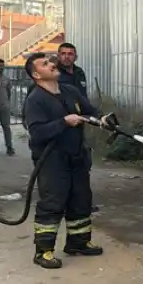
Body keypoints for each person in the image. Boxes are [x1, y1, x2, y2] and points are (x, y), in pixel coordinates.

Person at [23, 52, 108, 269]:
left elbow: (90, 110)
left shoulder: (70, 91)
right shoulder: (35, 99)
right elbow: (37, 132)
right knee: (52, 204)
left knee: (80, 201)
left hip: (77, 156)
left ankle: (78, 243)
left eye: (50, 61)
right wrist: (64, 121)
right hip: (52, 161)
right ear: (36, 75)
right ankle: (43, 251)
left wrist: (103, 118)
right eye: (44, 64)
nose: (51, 64)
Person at [55, 43, 101, 213]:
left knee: (83, 163)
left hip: (80, 124)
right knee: (62, 167)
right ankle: (63, 203)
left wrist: (95, 115)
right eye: (63, 53)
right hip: (62, 125)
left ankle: (83, 203)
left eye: (70, 54)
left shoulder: (79, 73)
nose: (67, 57)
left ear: (76, 56)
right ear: (58, 55)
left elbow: (84, 99)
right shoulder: (54, 74)